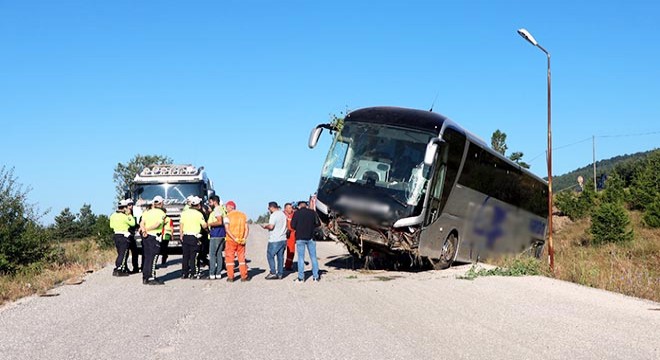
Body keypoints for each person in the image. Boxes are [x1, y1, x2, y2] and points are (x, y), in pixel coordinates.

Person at [139, 196, 167, 285]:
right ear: (161, 203)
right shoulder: (162, 213)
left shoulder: (147, 212)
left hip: (145, 236)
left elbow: (141, 222)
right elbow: (157, 224)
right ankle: (151, 277)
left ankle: (145, 277)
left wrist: (143, 230)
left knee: (147, 257)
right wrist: (147, 229)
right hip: (154, 236)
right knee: (153, 257)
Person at [291, 201, 321, 282]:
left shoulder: (296, 213)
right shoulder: (312, 213)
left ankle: (301, 278)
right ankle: (316, 277)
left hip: (300, 238)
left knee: (301, 258)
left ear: (299, 206)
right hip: (311, 237)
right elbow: (318, 224)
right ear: (306, 206)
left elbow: (292, 226)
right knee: (313, 257)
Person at [179, 196, 208, 279]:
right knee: (194, 256)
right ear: (198, 205)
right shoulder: (199, 214)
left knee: (185, 256)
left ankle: (184, 273)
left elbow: (181, 224)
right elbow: (204, 225)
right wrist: (208, 230)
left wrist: (181, 234)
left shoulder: (184, 213)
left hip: (185, 236)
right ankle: (194, 273)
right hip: (195, 237)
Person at [224, 200, 250, 282]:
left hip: (231, 240)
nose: (226, 209)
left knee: (229, 259)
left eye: (226, 207)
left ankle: (231, 277)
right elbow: (247, 228)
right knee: (242, 259)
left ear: (230, 207)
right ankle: (244, 276)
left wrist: (234, 238)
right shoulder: (243, 215)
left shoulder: (227, 216)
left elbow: (227, 229)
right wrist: (244, 238)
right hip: (241, 240)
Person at [261, 202, 287, 280]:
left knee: (270, 255)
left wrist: (265, 226)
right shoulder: (283, 214)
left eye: (269, 208)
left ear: (271, 207)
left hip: (275, 239)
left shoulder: (273, 215)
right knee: (280, 257)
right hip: (283, 238)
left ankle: (273, 272)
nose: (269, 210)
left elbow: (271, 226)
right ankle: (280, 273)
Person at [109, 199, 135, 277]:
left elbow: (111, 226)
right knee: (123, 253)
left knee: (120, 253)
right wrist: (129, 215)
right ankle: (119, 268)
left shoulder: (113, 215)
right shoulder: (124, 216)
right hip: (124, 236)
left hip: (116, 235)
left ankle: (120, 267)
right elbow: (133, 223)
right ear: (124, 208)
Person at [207, 195, 226, 279]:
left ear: (214, 201)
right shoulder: (222, 209)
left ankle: (212, 273)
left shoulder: (217, 209)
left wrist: (209, 224)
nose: (209, 204)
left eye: (210, 202)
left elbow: (219, 222)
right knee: (218, 254)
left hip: (216, 234)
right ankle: (218, 273)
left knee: (212, 254)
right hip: (221, 234)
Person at [125, 198, 140, 273]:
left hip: (132, 235)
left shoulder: (134, 213)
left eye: (131, 204)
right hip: (126, 235)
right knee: (126, 253)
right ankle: (125, 267)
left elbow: (134, 223)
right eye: (129, 205)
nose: (131, 206)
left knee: (135, 252)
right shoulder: (125, 214)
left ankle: (135, 267)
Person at [283, 203, 296, 271]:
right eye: (289, 208)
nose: (291, 209)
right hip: (282, 234)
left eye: (291, 208)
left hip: (291, 234)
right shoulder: (282, 214)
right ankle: (280, 265)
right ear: (285, 208)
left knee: (291, 250)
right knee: (280, 250)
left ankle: (288, 265)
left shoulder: (294, 214)